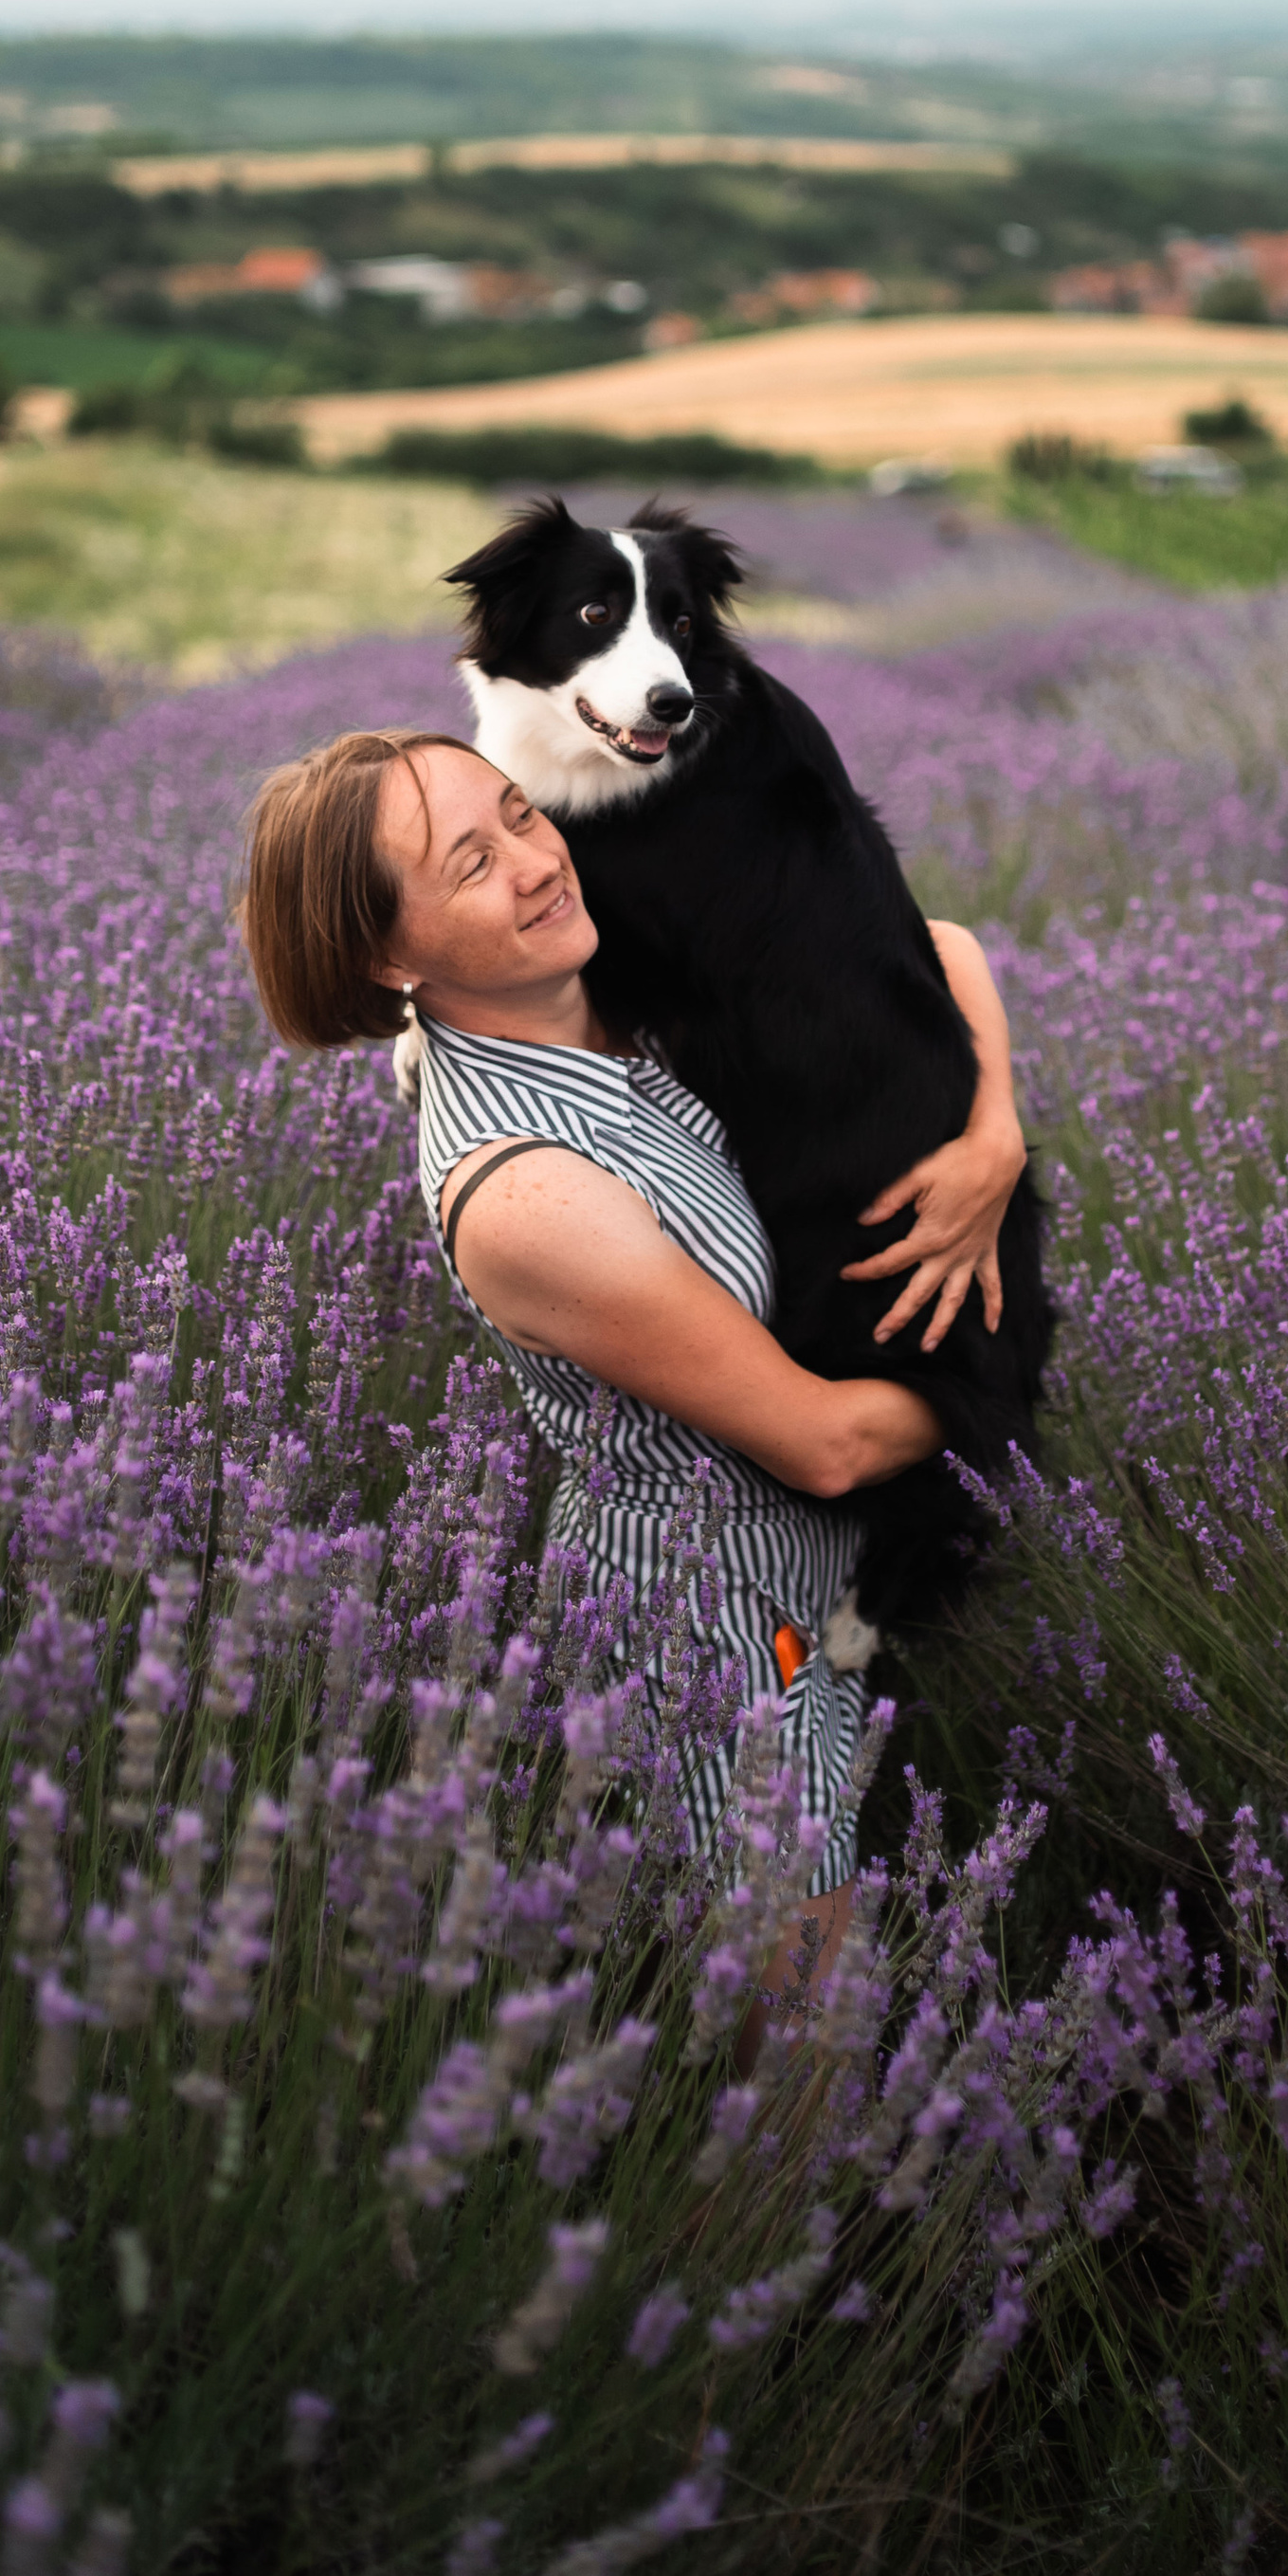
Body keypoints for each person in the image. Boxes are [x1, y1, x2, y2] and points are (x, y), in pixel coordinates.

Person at [236, 725, 1028, 2036]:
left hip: (837, 1580)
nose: (540, 861)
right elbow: (823, 1443)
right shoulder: (526, 1193)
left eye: (520, 813)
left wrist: (989, 1139)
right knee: (804, 2058)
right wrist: (994, 1387)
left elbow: (939, 950)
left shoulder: (615, 970)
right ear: (392, 956)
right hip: (718, 1641)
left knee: (840, 1986)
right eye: (471, 861)